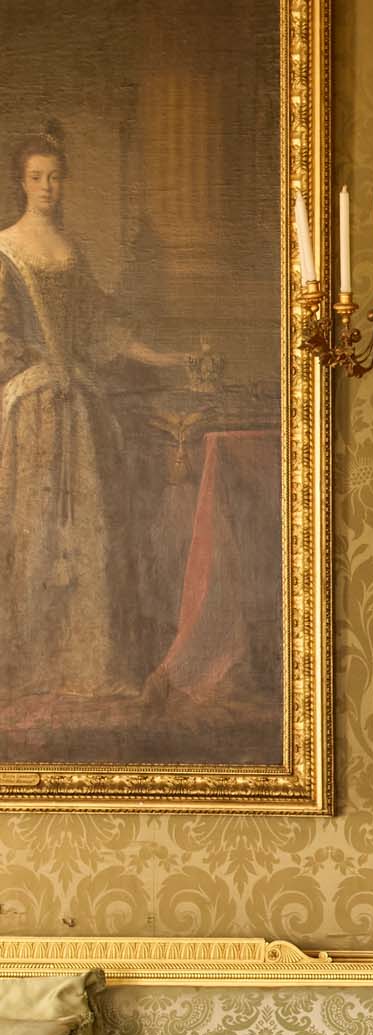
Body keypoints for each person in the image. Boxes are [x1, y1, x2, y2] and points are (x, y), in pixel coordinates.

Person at [0, 128, 193, 706]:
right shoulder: (4, 249)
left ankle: (86, 664)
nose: (47, 188)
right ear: (21, 181)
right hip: (32, 408)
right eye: (36, 177)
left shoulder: (70, 252)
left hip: (78, 410)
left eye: (55, 177)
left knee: (89, 529)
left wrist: (162, 356)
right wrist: (43, 368)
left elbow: (100, 330)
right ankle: (28, 663)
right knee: (33, 528)